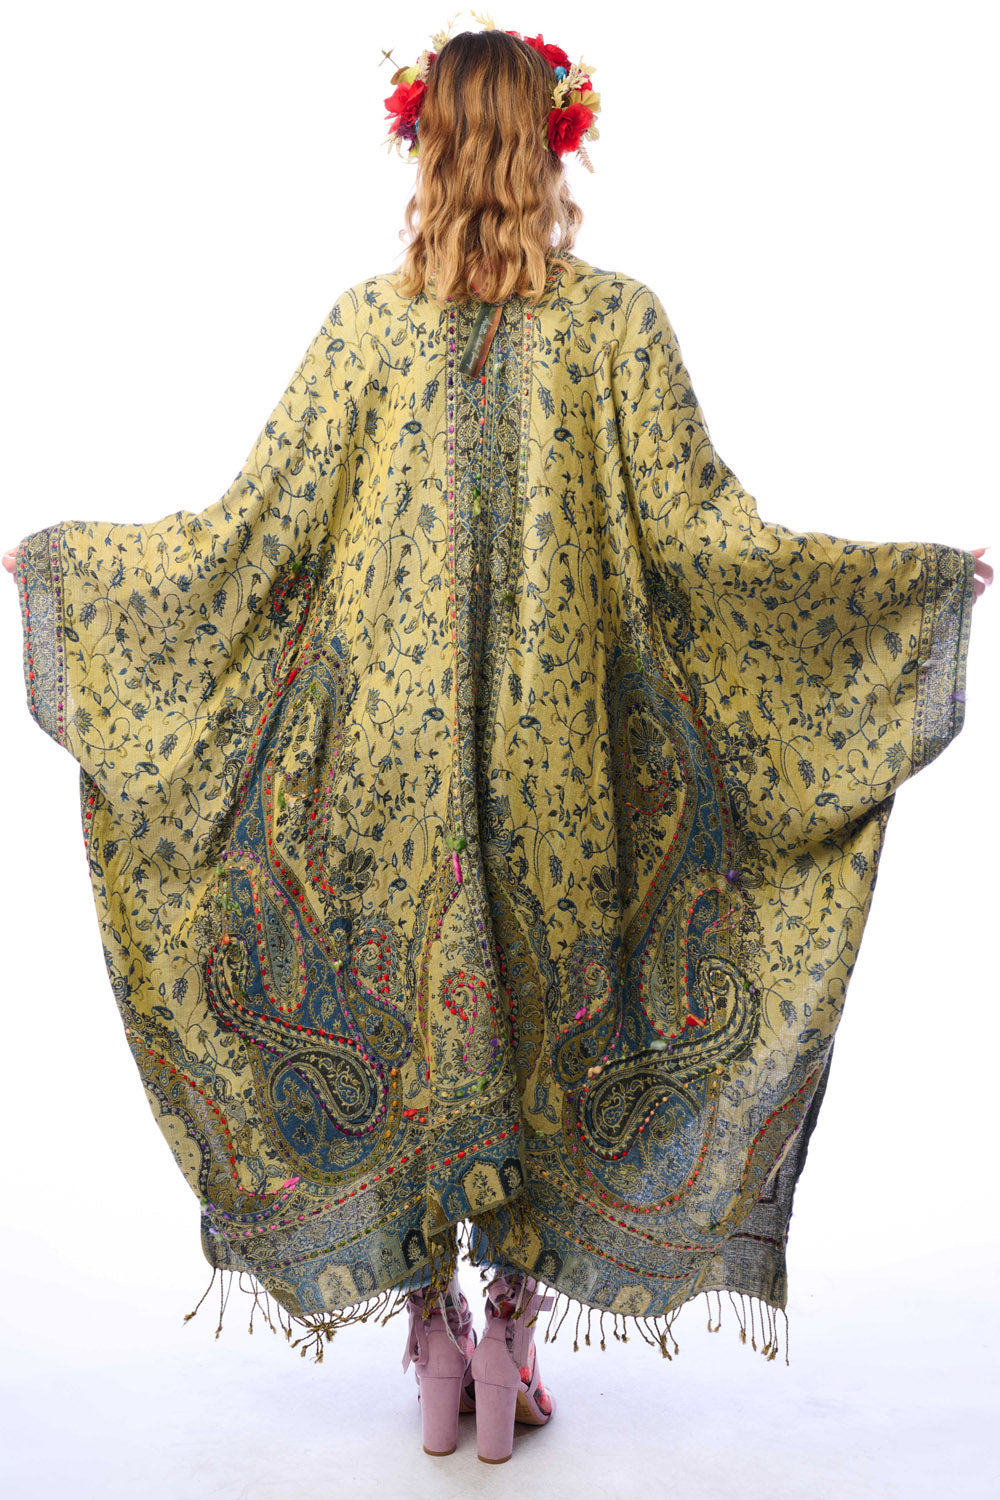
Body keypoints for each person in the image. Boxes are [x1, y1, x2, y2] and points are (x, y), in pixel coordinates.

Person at [3, 14, 993, 1469]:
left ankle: (432, 1339)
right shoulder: (617, 326)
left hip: (378, 767)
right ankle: (512, 1329)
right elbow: (712, 545)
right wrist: (904, 591)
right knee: (547, 1016)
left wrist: (72, 574)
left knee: (404, 1026)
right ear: (553, 149)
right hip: (564, 770)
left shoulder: (365, 328)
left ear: (423, 148)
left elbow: (248, 539)